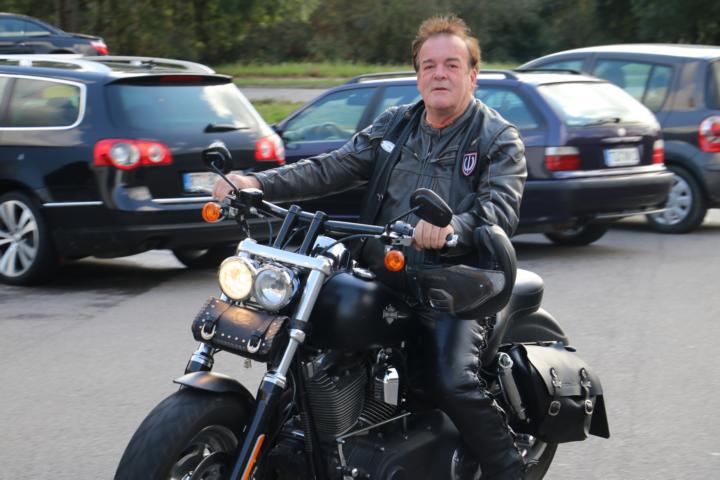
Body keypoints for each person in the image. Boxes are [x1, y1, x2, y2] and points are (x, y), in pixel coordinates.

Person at [214, 15, 527, 479]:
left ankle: (508, 469)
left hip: (456, 284)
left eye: (452, 65)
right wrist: (256, 183)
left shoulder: (497, 137)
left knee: (450, 381)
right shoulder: (397, 125)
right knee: (310, 338)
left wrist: (452, 228)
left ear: (472, 74)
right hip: (384, 270)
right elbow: (332, 167)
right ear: (418, 75)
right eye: (429, 65)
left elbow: (499, 210)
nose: (439, 74)